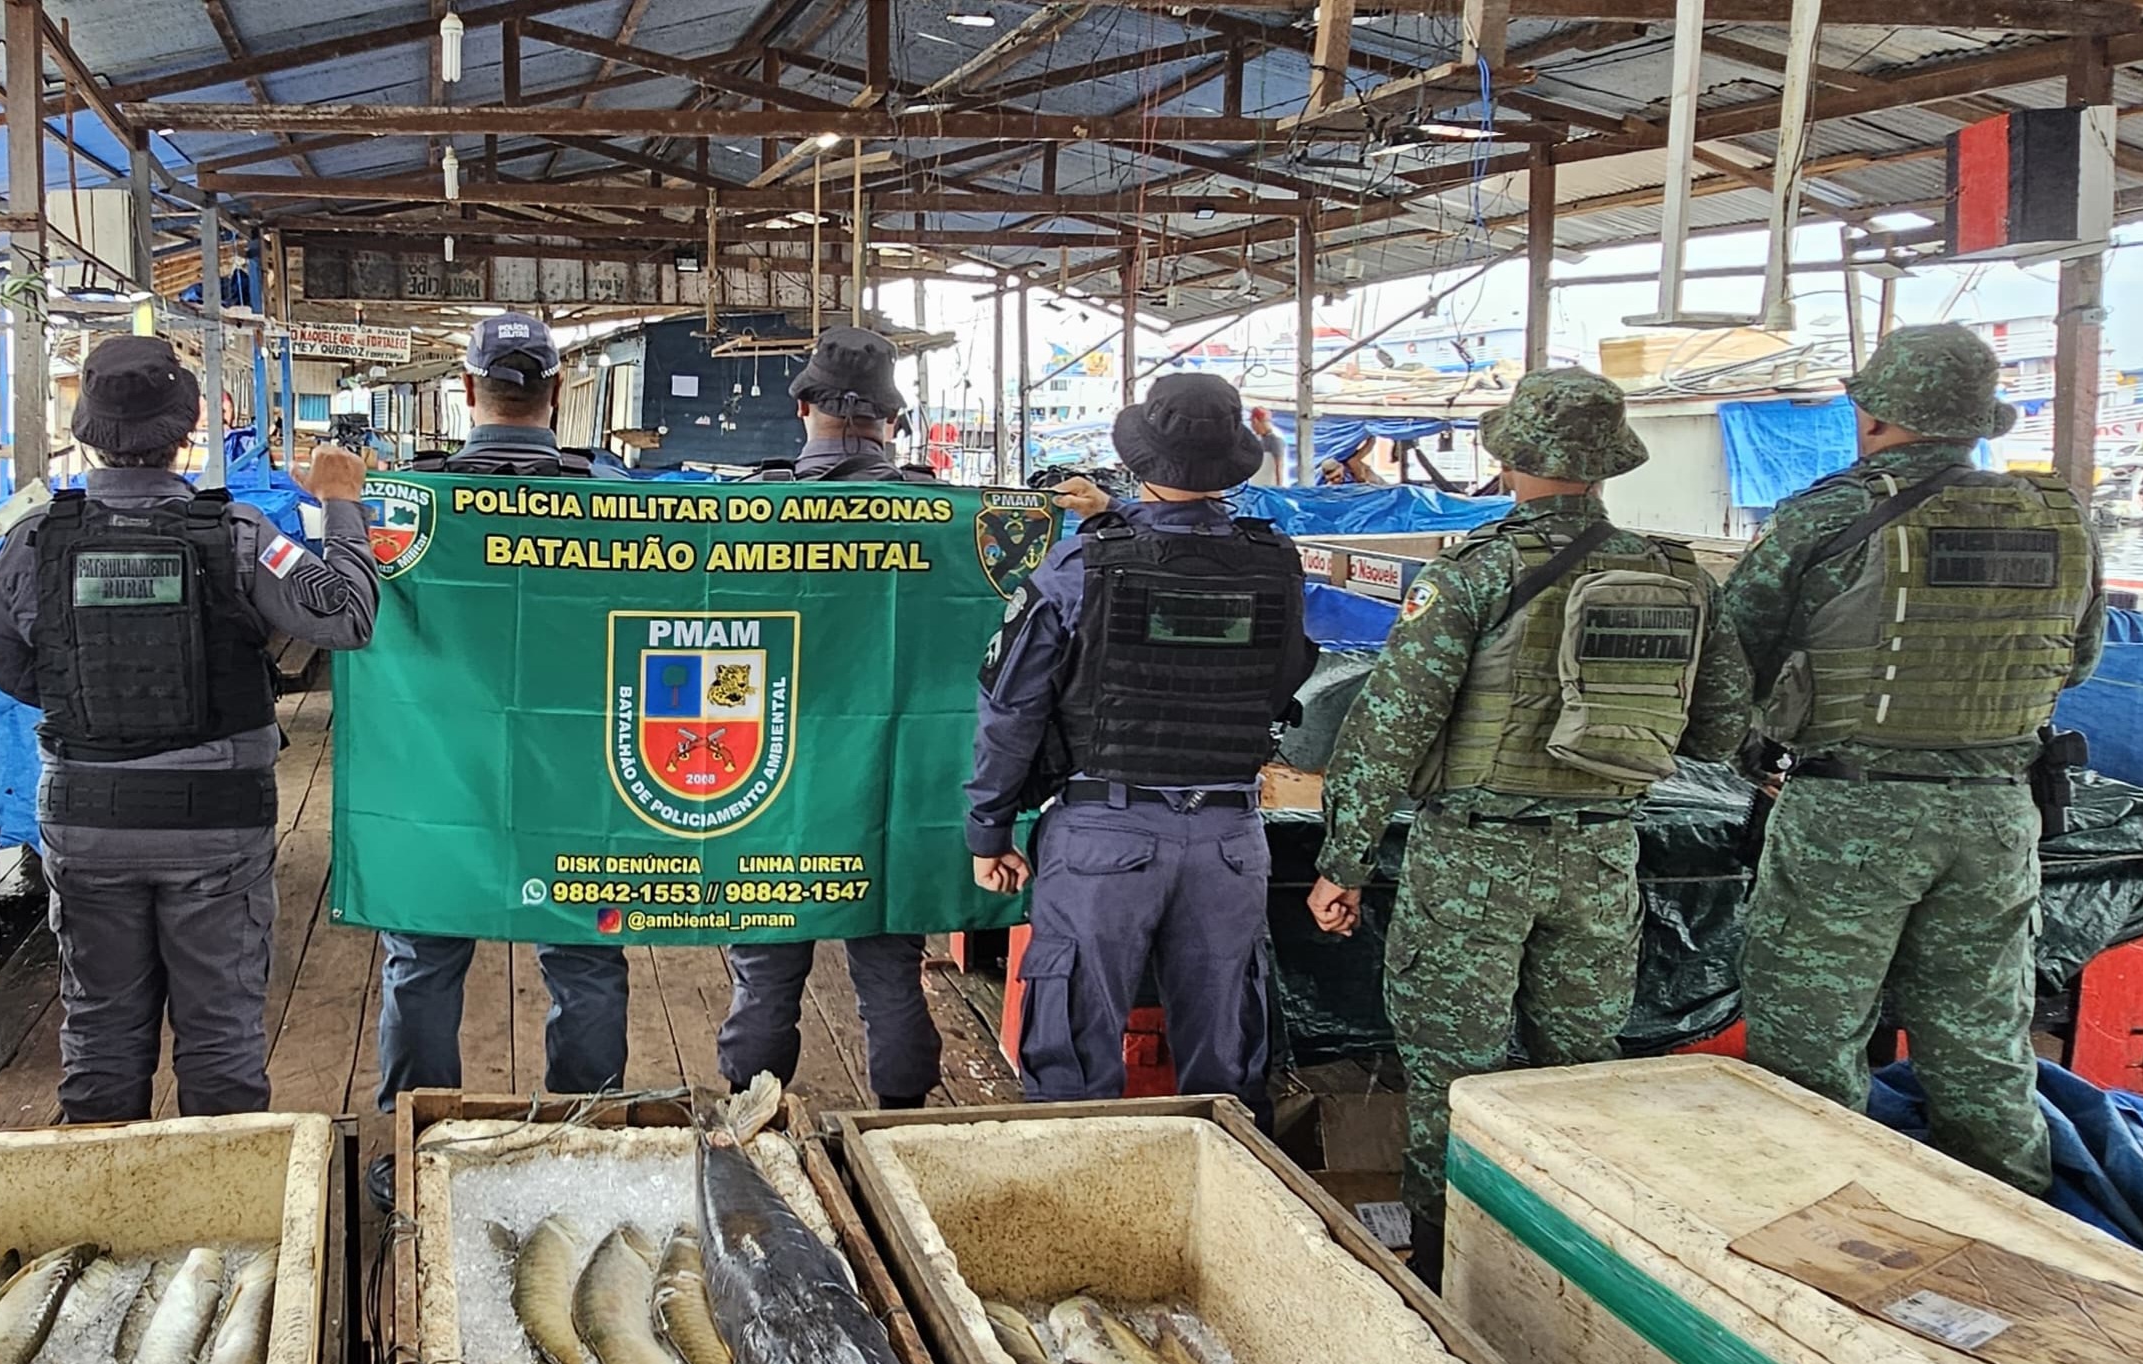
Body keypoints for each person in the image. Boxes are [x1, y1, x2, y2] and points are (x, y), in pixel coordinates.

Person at [1308, 367, 1749, 1273]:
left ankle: (1443, 1275)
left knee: (1451, 1079)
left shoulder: (1471, 572)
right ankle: (1564, 1268)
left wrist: (1342, 860)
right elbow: (1718, 729)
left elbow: (1392, 724)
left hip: (1473, 858)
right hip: (1600, 859)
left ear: (1508, 459)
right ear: (1605, 466)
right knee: (1577, 1082)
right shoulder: (1675, 575)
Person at [1716, 323, 2105, 1196]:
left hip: (1851, 815)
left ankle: (1810, 1232)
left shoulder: (1826, 514)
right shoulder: (2058, 516)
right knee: (1981, 1047)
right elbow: (2075, 662)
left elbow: (1731, 654)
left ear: (1871, 415)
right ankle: (2017, 1243)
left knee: (1810, 1043)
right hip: (2000, 813)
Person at [0, 335, 378, 1121]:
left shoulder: (34, 539)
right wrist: (340, 504)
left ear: (85, 429)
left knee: (96, 1031)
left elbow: (12, 665)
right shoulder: (237, 534)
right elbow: (347, 616)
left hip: (86, 813)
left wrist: (96, 717)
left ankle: (101, 1225)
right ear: (190, 429)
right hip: (215, 819)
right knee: (221, 1034)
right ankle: (226, 1223)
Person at [965, 372, 1315, 1113]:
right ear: (1232, 463)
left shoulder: (1079, 565)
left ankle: (1078, 1209)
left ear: (1139, 461)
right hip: (1230, 835)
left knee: (1072, 1052)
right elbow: (1285, 675)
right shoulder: (1274, 561)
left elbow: (1012, 706)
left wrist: (989, 826)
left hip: (1104, 832)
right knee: (1228, 1059)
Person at [376, 313, 633, 1121]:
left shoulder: (408, 504)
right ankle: (585, 1132)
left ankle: (419, 1138)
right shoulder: (618, 501)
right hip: (579, 779)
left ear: (464, 391)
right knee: (587, 958)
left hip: (441, 778)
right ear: (558, 392)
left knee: (421, 958)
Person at [717, 326, 945, 1109]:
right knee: (891, 971)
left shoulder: (741, 514)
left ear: (801, 407)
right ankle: (901, 1132)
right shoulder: (942, 520)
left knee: (763, 970)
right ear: (892, 419)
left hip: (766, 784)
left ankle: (755, 1124)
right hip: (893, 795)